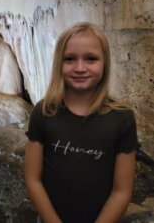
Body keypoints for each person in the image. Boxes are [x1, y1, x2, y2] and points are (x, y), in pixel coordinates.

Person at [24, 22, 138, 223]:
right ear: (59, 63)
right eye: (69, 59)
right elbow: (33, 179)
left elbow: (122, 190)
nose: (80, 67)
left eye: (91, 59)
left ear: (105, 63)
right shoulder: (43, 113)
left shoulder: (122, 118)